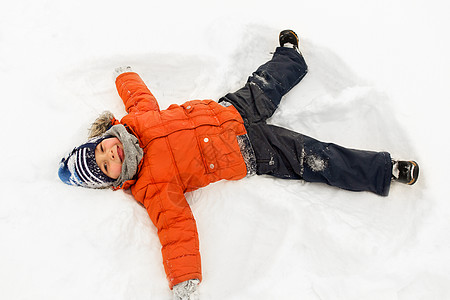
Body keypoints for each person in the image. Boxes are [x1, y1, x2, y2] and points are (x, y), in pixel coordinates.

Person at [58, 30, 419, 299]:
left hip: (230, 109)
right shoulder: (151, 185)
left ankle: (290, 55)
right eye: (105, 167)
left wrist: (124, 76)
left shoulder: (138, 118)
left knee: (265, 83)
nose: (111, 156)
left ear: (105, 136)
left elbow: (138, 94)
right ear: (113, 180)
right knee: (312, 156)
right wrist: (183, 276)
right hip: (248, 149)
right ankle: (382, 170)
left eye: (102, 150)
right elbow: (175, 226)